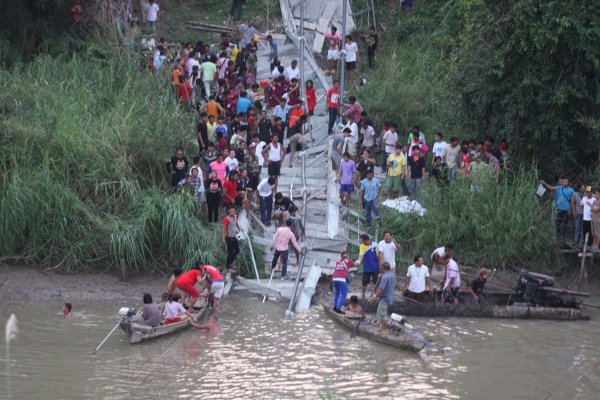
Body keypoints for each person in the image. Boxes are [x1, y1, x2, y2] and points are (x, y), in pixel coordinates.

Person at [368, 262, 394, 334]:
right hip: (389, 297)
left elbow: (381, 289)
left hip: (385, 298)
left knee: (382, 314)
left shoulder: (385, 277)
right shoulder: (391, 274)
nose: (379, 268)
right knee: (382, 312)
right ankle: (382, 327)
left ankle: (385, 329)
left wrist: (374, 297)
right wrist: (381, 276)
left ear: (383, 268)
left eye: (380, 267)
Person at [355, 234, 379, 299]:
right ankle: (363, 294)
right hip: (367, 267)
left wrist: (380, 265)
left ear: (367, 240)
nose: (362, 242)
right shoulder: (362, 246)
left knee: (376, 282)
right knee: (364, 282)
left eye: (363, 240)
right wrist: (359, 260)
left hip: (375, 267)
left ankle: (376, 295)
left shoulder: (375, 245)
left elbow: (378, 256)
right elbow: (361, 254)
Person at [222, 206, 240, 272]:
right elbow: (223, 228)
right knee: (230, 252)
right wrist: (223, 238)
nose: (232, 212)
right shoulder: (226, 218)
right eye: (231, 211)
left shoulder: (235, 217)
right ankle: (228, 266)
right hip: (229, 237)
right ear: (228, 211)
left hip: (234, 237)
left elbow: (236, 224)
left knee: (237, 250)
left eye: (233, 211)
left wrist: (240, 231)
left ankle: (230, 262)